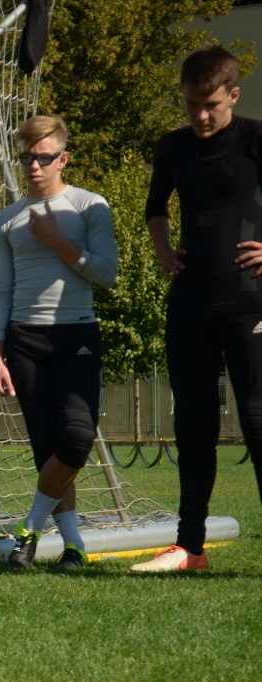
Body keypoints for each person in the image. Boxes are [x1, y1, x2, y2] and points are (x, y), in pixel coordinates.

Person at [134, 44, 262, 572]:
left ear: (233, 94)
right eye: (191, 105)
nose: (201, 116)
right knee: (192, 421)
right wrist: (164, 251)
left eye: (211, 104)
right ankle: (190, 546)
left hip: (249, 299)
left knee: (257, 420)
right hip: (190, 302)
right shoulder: (172, 147)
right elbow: (154, 207)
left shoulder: (256, 138)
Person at [0, 115, 119, 571]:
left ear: (63, 158)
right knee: (48, 450)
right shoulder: (6, 219)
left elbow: (107, 273)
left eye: (44, 157)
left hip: (77, 333)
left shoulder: (89, 206)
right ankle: (74, 546)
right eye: (27, 157)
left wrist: (58, 241)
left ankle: (28, 530)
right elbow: (1, 290)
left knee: (77, 439)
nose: (34, 166)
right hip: (24, 340)